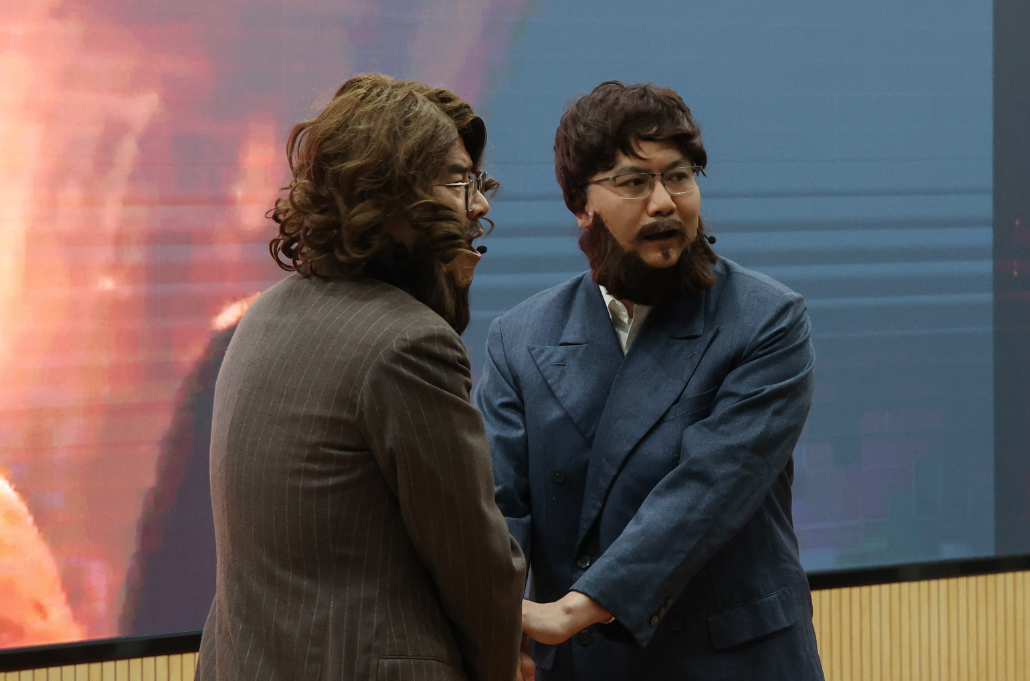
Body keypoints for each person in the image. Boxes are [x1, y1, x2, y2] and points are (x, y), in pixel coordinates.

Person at [473, 81, 824, 680]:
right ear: (581, 205)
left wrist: (573, 610)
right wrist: (495, 624)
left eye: (679, 177)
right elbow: (498, 509)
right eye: (634, 182)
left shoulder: (767, 319)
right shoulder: (520, 337)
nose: (664, 203)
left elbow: (706, 492)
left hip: (733, 661)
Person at [197, 74, 528, 681]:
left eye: (477, 183)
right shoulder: (410, 343)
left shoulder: (263, 315)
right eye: (458, 181)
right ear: (389, 196)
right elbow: (477, 567)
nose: (480, 205)